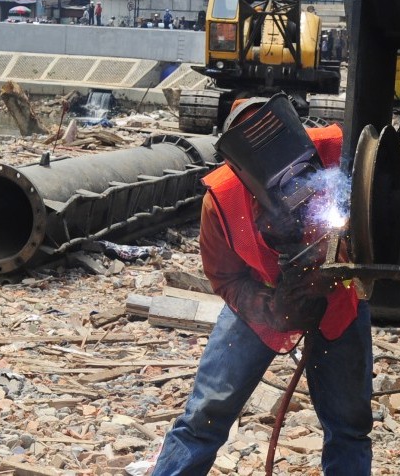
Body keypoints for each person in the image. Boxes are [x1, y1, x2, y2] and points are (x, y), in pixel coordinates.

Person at [150, 95, 373, 476]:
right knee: (204, 418)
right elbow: (225, 278)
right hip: (259, 307)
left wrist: (343, 258)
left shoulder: (335, 150)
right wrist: (273, 307)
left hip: (337, 301)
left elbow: (373, 229)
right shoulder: (222, 198)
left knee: (349, 427)